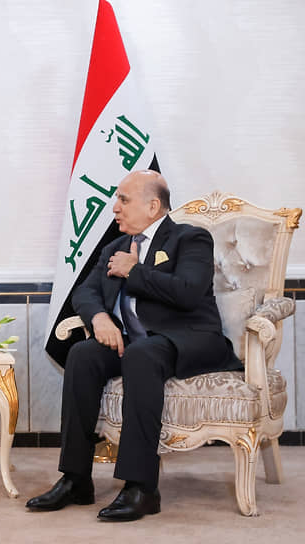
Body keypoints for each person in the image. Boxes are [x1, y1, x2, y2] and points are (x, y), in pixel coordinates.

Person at [27, 169, 242, 521]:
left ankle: (141, 488)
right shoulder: (115, 247)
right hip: (138, 342)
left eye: (124, 200)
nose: (115, 207)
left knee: (142, 354)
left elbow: (188, 292)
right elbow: (85, 292)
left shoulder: (190, 238)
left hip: (190, 339)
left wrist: (134, 271)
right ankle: (76, 478)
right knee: (82, 354)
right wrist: (99, 317)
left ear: (153, 206)